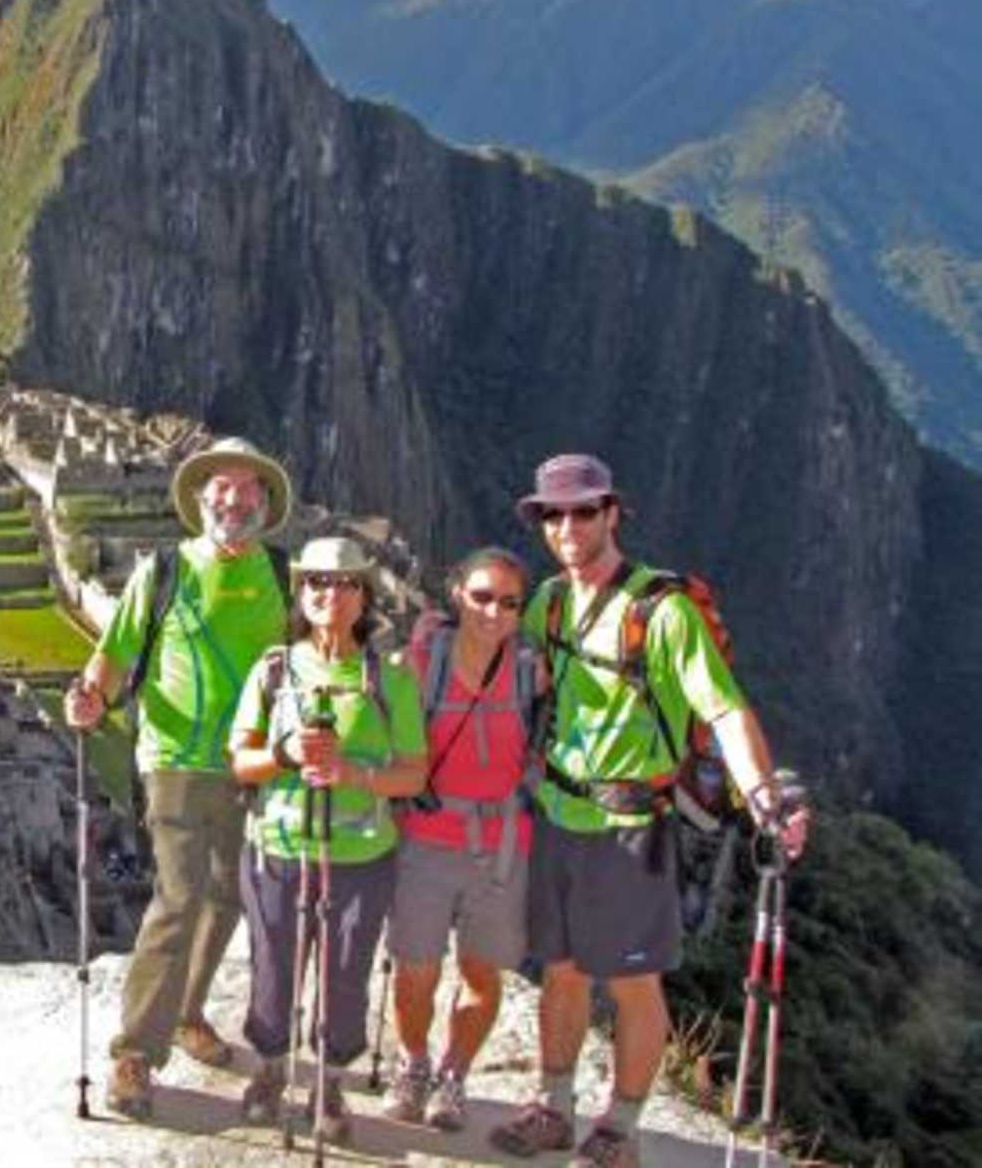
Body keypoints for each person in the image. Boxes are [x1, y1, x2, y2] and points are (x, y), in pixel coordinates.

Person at [490, 454, 812, 1168]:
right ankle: (555, 1103)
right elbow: (522, 678)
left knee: (633, 980)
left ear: (611, 513)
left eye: (582, 511)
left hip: (631, 827)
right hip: (558, 812)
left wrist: (762, 799)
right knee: (563, 968)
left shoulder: (660, 613)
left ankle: (621, 1126)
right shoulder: (546, 602)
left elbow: (723, 706)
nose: (567, 526)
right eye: (552, 514)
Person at [64, 436, 294, 1118]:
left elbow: (316, 653)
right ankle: (135, 1051)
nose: (233, 498)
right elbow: (118, 649)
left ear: (264, 501)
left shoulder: (280, 576)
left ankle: (187, 1014)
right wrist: (92, 696)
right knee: (180, 894)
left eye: (247, 487)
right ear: (201, 499)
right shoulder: (163, 570)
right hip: (174, 760)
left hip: (249, 762)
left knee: (227, 893)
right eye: (220, 486)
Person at [227, 536, 427, 1144]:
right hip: (280, 847)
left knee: (345, 971)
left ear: (364, 595)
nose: (327, 594)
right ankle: (269, 1067)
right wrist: (285, 755)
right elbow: (241, 761)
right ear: (300, 590)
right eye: (315, 581)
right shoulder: (274, 670)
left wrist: (354, 774)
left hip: (360, 854)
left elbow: (414, 773)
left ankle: (330, 1079)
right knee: (274, 965)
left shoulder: (389, 679)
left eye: (343, 583)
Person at [382, 546, 542, 1132]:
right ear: (456, 595)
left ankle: (453, 1074)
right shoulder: (423, 663)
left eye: (508, 602)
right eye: (481, 597)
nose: (493, 612)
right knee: (415, 971)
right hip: (426, 837)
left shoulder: (533, 673)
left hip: (501, 847)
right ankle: (414, 1061)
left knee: (481, 973)